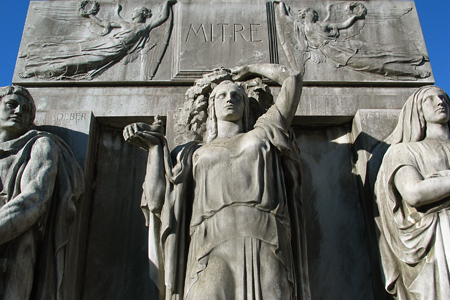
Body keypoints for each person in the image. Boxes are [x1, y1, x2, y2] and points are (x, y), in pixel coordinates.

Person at [123, 64, 310, 300]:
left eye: (236, 96)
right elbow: (159, 201)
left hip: (266, 238)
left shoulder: (263, 133)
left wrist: (252, 68)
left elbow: (292, 79)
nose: (229, 99)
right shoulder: (192, 152)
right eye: (221, 95)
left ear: (246, 105)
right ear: (211, 106)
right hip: (208, 243)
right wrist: (154, 149)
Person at [0, 85, 84, 299]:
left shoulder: (40, 145)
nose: (19, 111)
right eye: (12, 105)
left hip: (14, 246)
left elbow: (34, 199)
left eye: (26, 109)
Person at [374, 85, 450, 299]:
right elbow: (414, 193)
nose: (439, 102)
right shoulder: (403, 151)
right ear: (418, 110)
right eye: (430, 99)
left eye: (443, 97)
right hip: (439, 239)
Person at [20, 0, 176, 80]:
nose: (135, 13)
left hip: (116, 50)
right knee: (72, 49)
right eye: (134, 11)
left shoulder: (144, 27)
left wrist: (166, 4)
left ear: (143, 14)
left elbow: (162, 17)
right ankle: (34, 54)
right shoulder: (124, 23)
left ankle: (35, 70)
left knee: (79, 63)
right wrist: (89, 15)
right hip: (105, 43)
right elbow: (104, 24)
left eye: (138, 11)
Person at [275, 1, 430, 79]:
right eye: (311, 13)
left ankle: (415, 57)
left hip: (342, 45)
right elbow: (284, 17)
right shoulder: (300, 26)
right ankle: (413, 72)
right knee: (374, 64)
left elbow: (342, 25)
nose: (314, 15)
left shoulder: (323, 24)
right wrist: (280, 3)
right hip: (335, 53)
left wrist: (354, 17)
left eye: (314, 13)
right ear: (305, 15)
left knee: (378, 51)